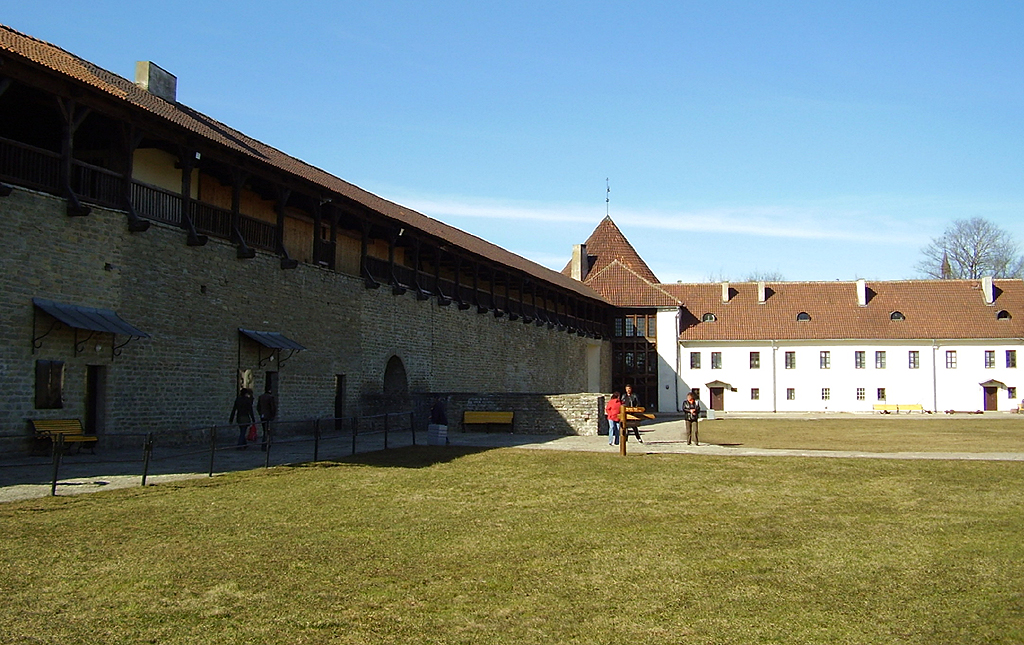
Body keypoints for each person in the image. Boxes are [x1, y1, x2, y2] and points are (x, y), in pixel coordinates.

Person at [257, 387, 277, 451]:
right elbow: (272, 407)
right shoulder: (270, 398)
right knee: (267, 431)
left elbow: (258, 407)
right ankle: (266, 444)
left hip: (262, 416)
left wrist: (260, 413)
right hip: (268, 416)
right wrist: (273, 415)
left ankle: (264, 444)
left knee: (264, 430)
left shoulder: (261, 397)